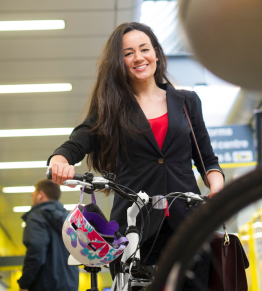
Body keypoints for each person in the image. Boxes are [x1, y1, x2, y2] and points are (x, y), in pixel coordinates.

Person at [47, 22, 224, 289]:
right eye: (128, 53)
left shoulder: (187, 101)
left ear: (156, 53)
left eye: (144, 49)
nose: (138, 57)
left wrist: (217, 188)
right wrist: (58, 160)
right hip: (134, 234)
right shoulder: (112, 108)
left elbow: (208, 161)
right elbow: (77, 141)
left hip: (188, 226)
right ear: (119, 62)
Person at [18, 179, 79, 291]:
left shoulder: (37, 216)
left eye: (33, 195)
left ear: (40, 195)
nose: (32, 199)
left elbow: (36, 252)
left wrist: (24, 284)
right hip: (70, 285)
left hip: (45, 285)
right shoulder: (69, 219)